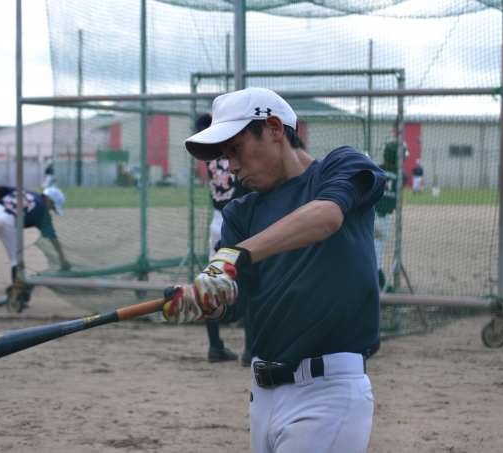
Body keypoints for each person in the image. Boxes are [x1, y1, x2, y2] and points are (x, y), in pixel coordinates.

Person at [162, 88, 385, 452]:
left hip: (327, 392)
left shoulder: (341, 166)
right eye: (226, 156)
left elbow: (326, 216)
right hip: (262, 395)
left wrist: (236, 256)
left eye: (236, 149)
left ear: (275, 128)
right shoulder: (241, 212)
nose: (231, 166)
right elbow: (236, 301)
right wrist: (208, 301)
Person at [196, 113, 254, 364]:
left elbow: (201, 123)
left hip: (217, 221)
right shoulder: (233, 151)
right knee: (250, 281)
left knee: (213, 281)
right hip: (239, 220)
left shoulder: (208, 154)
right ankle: (250, 349)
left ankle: (215, 346)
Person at [374, 140, 407, 290]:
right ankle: (381, 283)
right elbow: (396, 202)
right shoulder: (402, 175)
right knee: (377, 251)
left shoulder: (375, 168)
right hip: (383, 219)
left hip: (367, 214)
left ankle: (378, 280)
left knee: (369, 247)